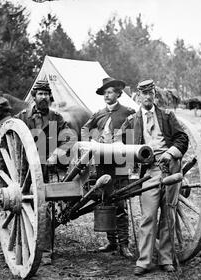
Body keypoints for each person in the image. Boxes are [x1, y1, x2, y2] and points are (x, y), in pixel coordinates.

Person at [117, 79, 189, 275]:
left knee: (168, 214)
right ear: (138, 97)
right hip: (149, 172)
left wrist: (170, 153)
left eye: (150, 93)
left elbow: (182, 138)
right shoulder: (132, 121)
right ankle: (144, 261)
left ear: (154, 95)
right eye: (143, 94)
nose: (147, 97)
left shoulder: (167, 116)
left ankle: (166, 260)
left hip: (170, 168)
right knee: (148, 216)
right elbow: (122, 145)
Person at [15, 80, 72, 266]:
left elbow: (70, 137)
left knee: (46, 211)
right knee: (24, 208)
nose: (44, 97)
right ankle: (24, 245)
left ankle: (46, 251)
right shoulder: (23, 117)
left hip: (48, 169)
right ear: (34, 96)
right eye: (40, 93)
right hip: (26, 172)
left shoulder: (57, 118)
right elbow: (6, 132)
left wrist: (59, 152)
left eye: (46, 94)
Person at [81, 77, 135, 259]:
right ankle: (111, 242)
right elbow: (84, 129)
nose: (107, 95)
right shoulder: (98, 114)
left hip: (120, 163)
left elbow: (136, 134)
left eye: (110, 92)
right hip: (103, 164)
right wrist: (92, 142)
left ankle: (124, 245)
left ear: (118, 94)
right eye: (105, 93)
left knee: (121, 203)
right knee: (106, 200)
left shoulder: (128, 113)